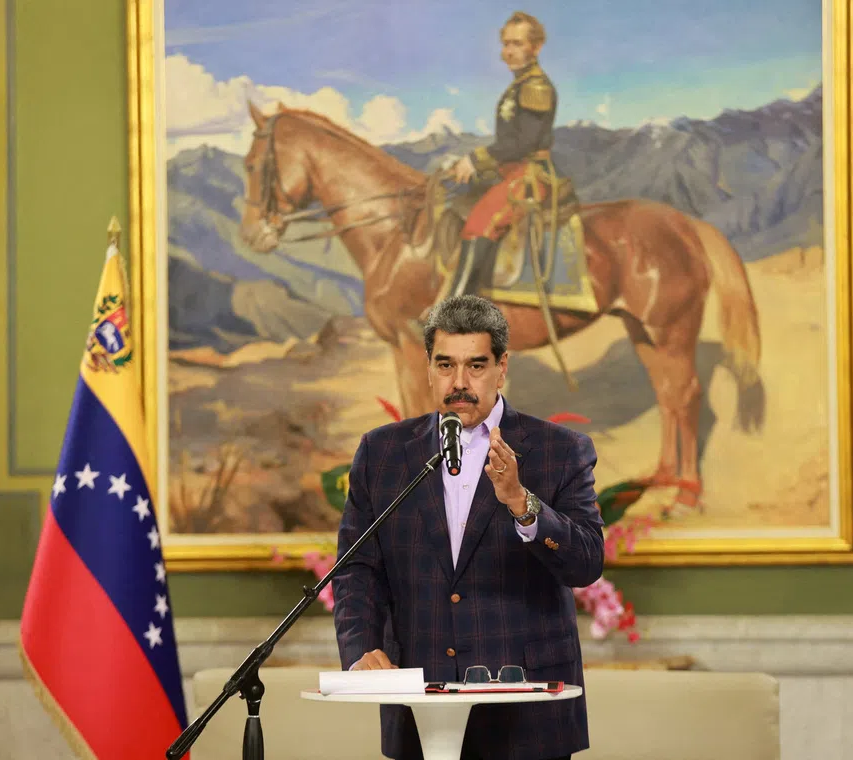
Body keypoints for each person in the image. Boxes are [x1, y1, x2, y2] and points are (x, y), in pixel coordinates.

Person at [332, 295, 605, 760]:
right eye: (446, 365)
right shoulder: (382, 453)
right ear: (428, 367)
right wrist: (363, 647)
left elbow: (586, 563)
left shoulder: (560, 449)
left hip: (527, 714)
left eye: (476, 366)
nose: (459, 383)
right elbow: (356, 567)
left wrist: (521, 503)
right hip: (421, 708)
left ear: (502, 367)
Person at [444, 11, 560, 299]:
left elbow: (523, 144)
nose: (508, 52)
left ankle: (456, 310)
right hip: (508, 171)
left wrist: (474, 159)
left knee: (479, 223)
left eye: (517, 44)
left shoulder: (536, 87)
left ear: (536, 47)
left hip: (529, 175)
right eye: (506, 43)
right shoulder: (519, 84)